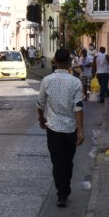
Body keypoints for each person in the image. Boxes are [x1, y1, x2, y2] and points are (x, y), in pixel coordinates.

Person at [37, 48, 86, 207]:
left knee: (57, 162)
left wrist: (41, 119)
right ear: (70, 63)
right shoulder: (76, 82)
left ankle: (62, 193)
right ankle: (65, 188)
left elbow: (40, 104)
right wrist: (80, 130)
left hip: (53, 130)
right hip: (70, 129)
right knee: (68, 161)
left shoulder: (47, 80)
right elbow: (78, 107)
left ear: (55, 62)